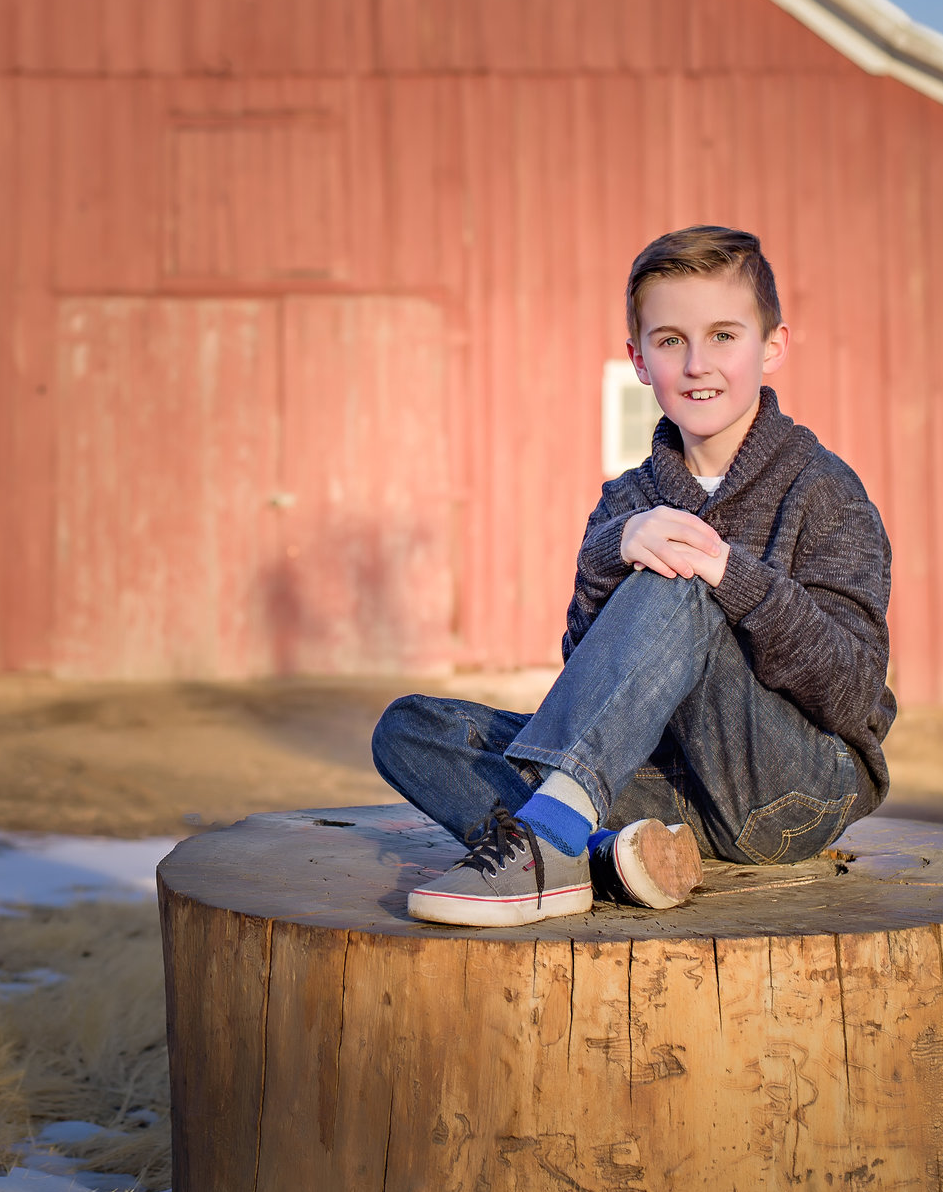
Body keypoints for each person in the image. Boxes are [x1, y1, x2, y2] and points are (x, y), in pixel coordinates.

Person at [372, 226, 897, 923]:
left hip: (791, 789)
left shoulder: (824, 488)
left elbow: (853, 690)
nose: (697, 363)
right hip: (667, 788)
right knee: (412, 729)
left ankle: (552, 847)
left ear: (772, 346)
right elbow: (591, 695)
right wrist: (610, 550)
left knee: (680, 573)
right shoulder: (627, 501)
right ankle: (608, 853)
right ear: (639, 359)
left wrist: (726, 574)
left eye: (723, 336)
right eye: (671, 340)